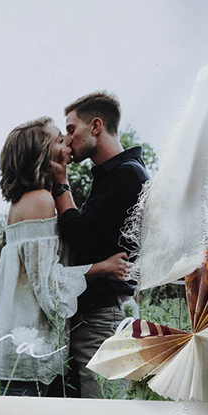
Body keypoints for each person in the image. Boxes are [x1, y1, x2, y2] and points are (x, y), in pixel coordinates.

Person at [0, 116, 129, 396]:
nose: (68, 142)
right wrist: (103, 267)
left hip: (27, 343)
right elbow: (48, 283)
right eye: (59, 139)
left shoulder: (29, 199)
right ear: (42, 155)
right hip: (31, 344)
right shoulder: (39, 201)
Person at [51, 91, 150, 398]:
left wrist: (60, 184)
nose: (67, 140)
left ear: (95, 126)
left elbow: (79, 238)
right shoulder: (115, 175)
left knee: (104, 411)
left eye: (71, 129)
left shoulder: (126, 175)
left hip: (102, 317)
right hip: (102, 313)